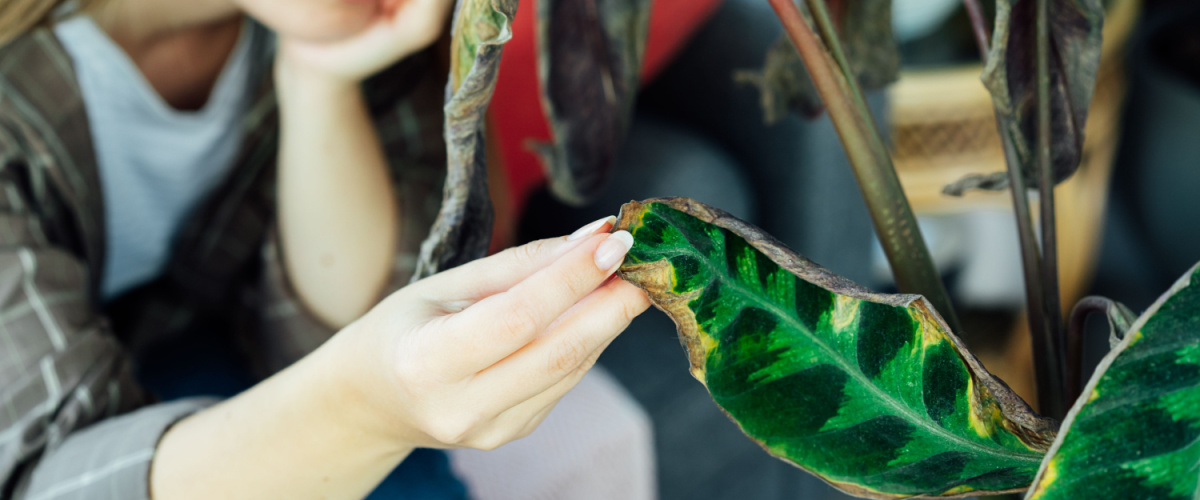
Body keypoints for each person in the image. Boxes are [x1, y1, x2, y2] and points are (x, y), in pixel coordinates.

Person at [0, 0, 651, 498]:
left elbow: (341, 333)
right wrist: (366, 406)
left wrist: (319, 83)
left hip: (192, 356)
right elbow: (53, 477)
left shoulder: (342, 27)